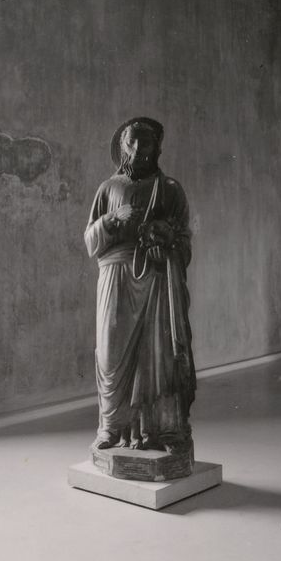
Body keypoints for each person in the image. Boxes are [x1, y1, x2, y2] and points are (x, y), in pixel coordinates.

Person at [83, 117, 197, 456]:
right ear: (122, 147)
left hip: (157, 280)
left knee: (159, 356)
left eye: (145, 143)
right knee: (110, 353)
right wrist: (112, 219)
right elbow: (90, 242)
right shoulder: (107, 189)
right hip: (115, 277)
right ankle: (111, 427)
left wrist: (166, 241)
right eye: (131, 142)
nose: (137, 150)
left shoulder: (171, 189)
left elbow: (185, 242)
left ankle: (163, 429)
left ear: (157, 148)